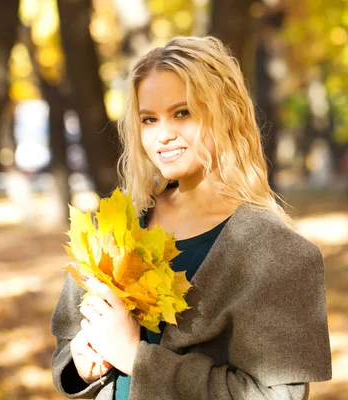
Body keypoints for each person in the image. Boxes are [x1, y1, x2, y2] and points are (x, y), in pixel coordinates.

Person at [51, 35, 332, 400]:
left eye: (182, 113)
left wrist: (136, 359)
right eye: (149, 119)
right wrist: (82, 363)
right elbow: (68, 341)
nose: (164, 135)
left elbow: (272, 396)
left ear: (225, 114)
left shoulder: (279, 254)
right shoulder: (115, 229)